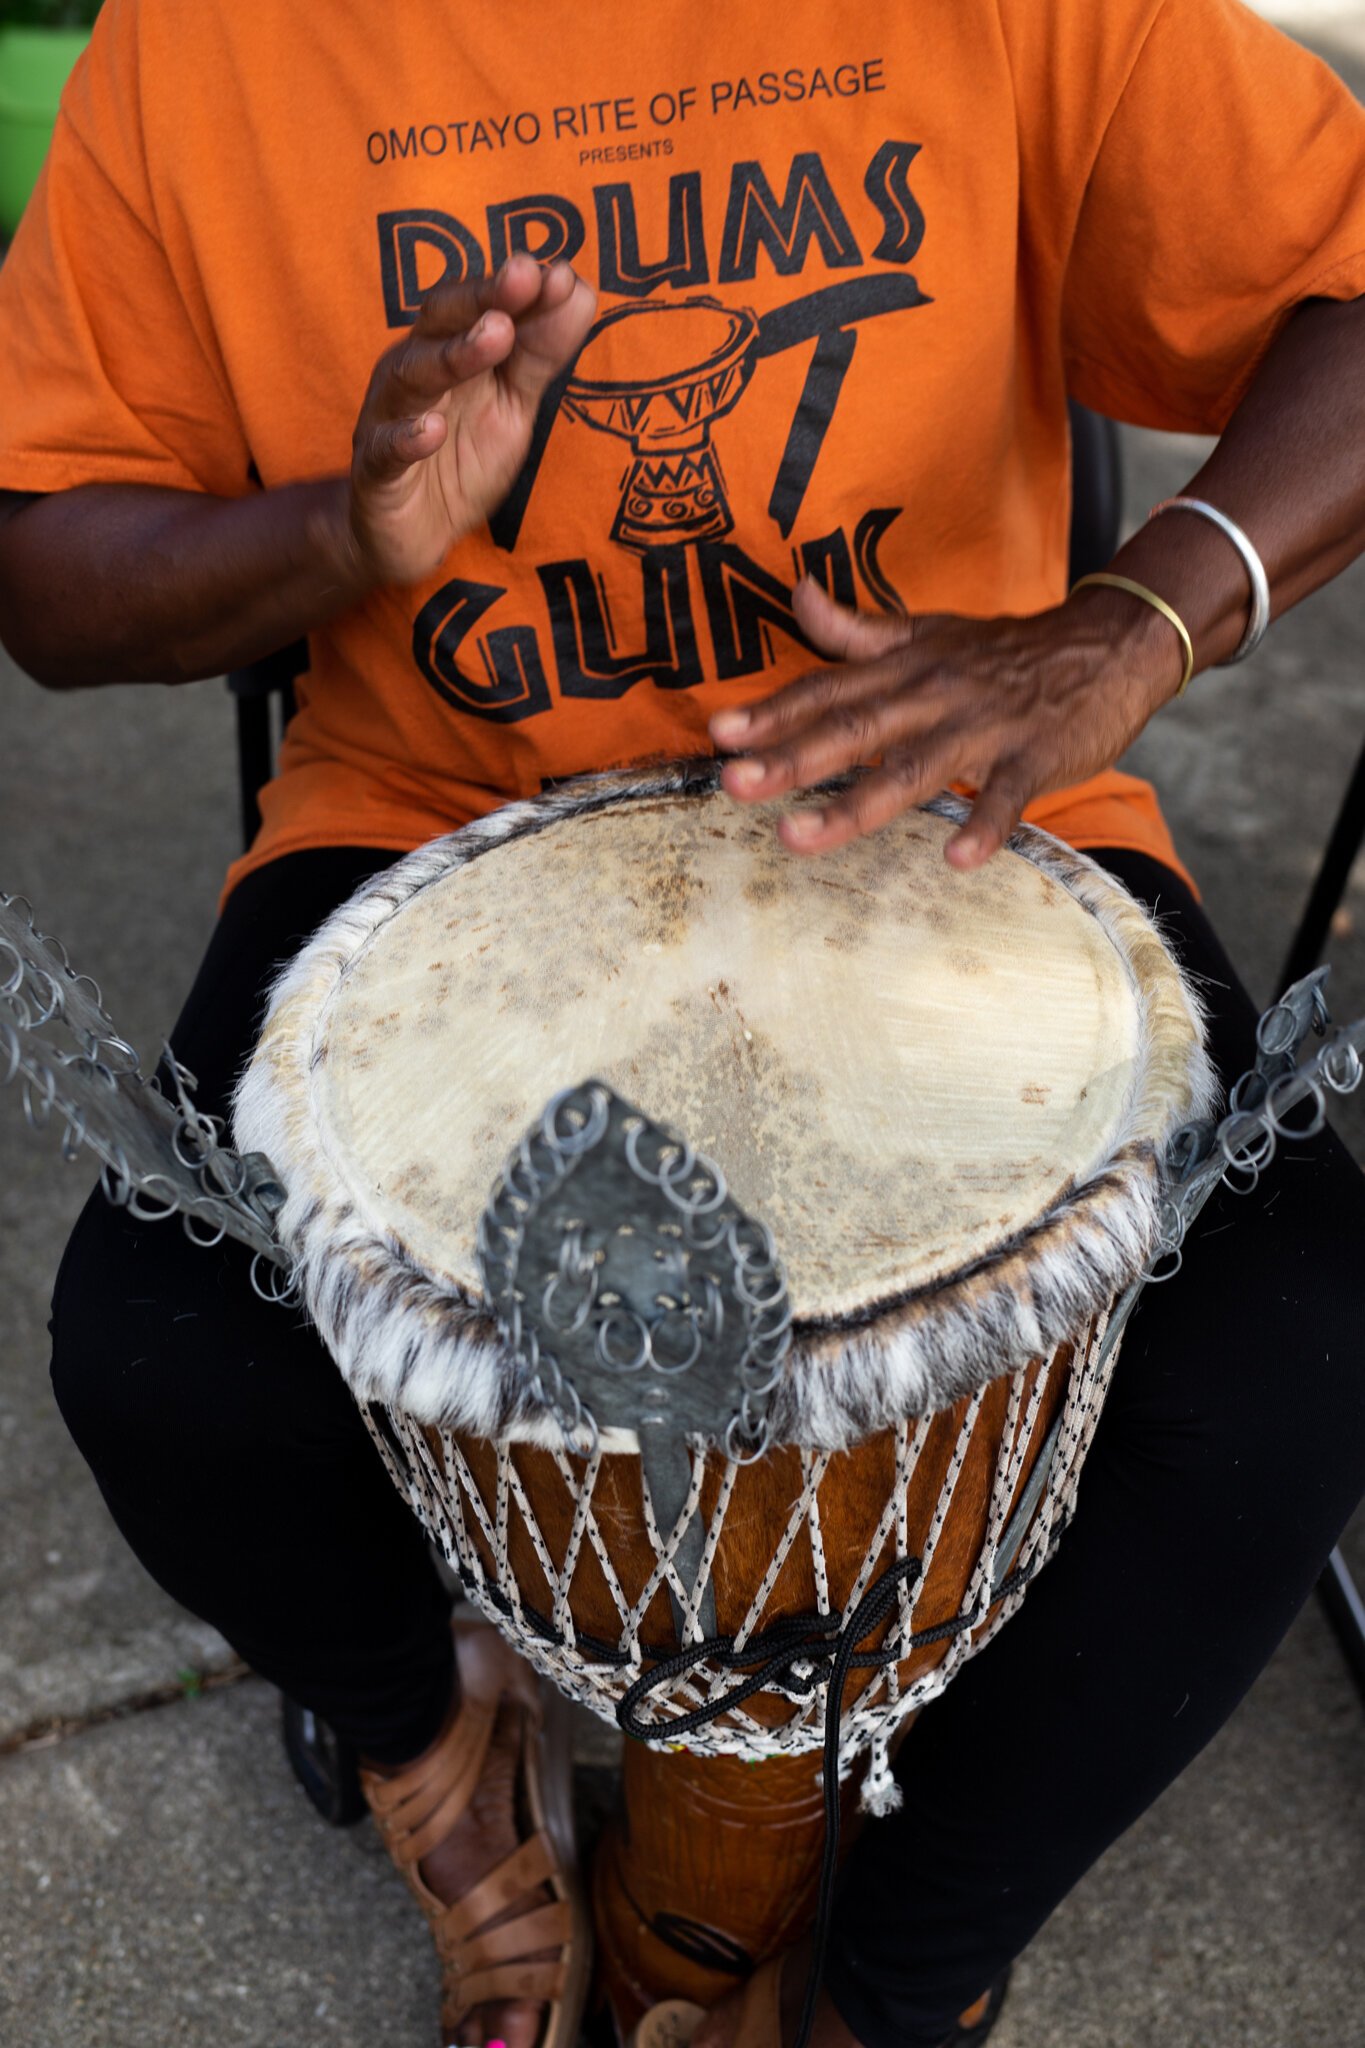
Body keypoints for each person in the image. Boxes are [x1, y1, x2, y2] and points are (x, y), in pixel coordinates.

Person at [1, 3, 1363, 2045]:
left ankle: (889, 1973)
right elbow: (47, 562)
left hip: (953, 805)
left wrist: (1123, 618)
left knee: (1290, 1359)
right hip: (430, 825)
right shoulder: (199, 49)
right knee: (159, 1356)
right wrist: (332, 537)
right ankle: (443, 1762)